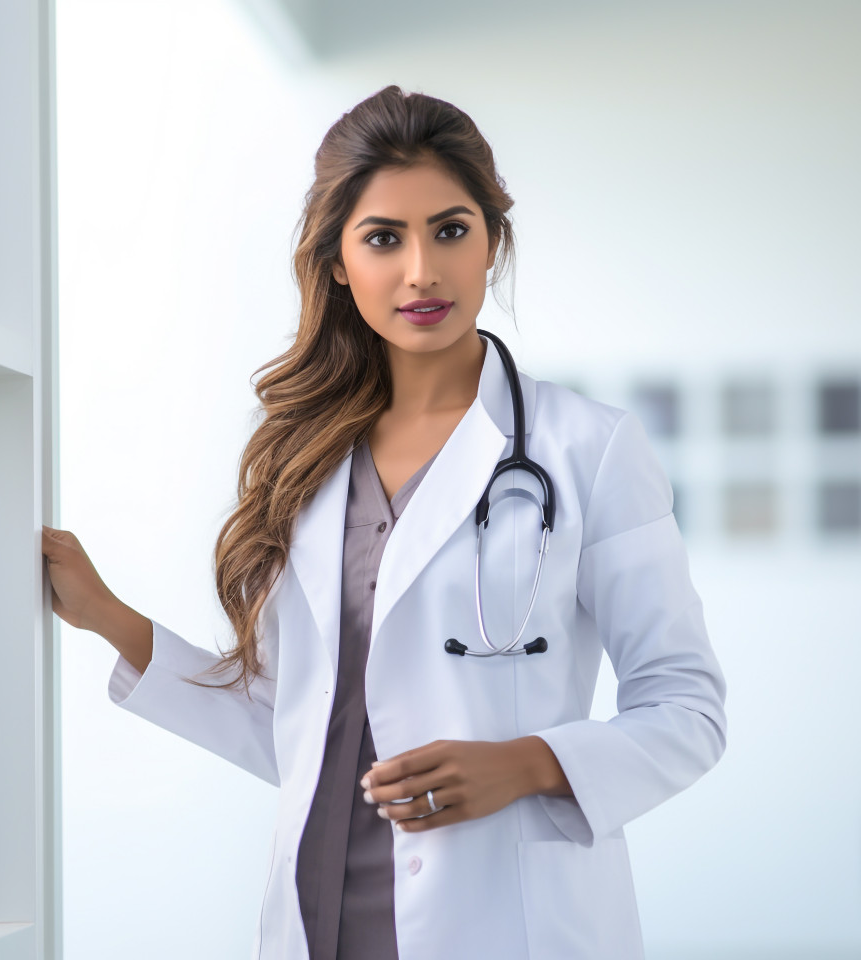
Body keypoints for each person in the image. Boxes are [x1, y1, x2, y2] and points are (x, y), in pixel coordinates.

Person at [42, 85, 726, 960]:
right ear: (337, 261)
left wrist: (527, 764)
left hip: (504, 921)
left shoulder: (588, 448)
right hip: (322, 916)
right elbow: (299, 735)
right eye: (383, 238)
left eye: (450, 230)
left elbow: (687, 709)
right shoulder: (305, 459)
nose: (421, 271)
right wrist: (108, 618)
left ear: (492, 243)